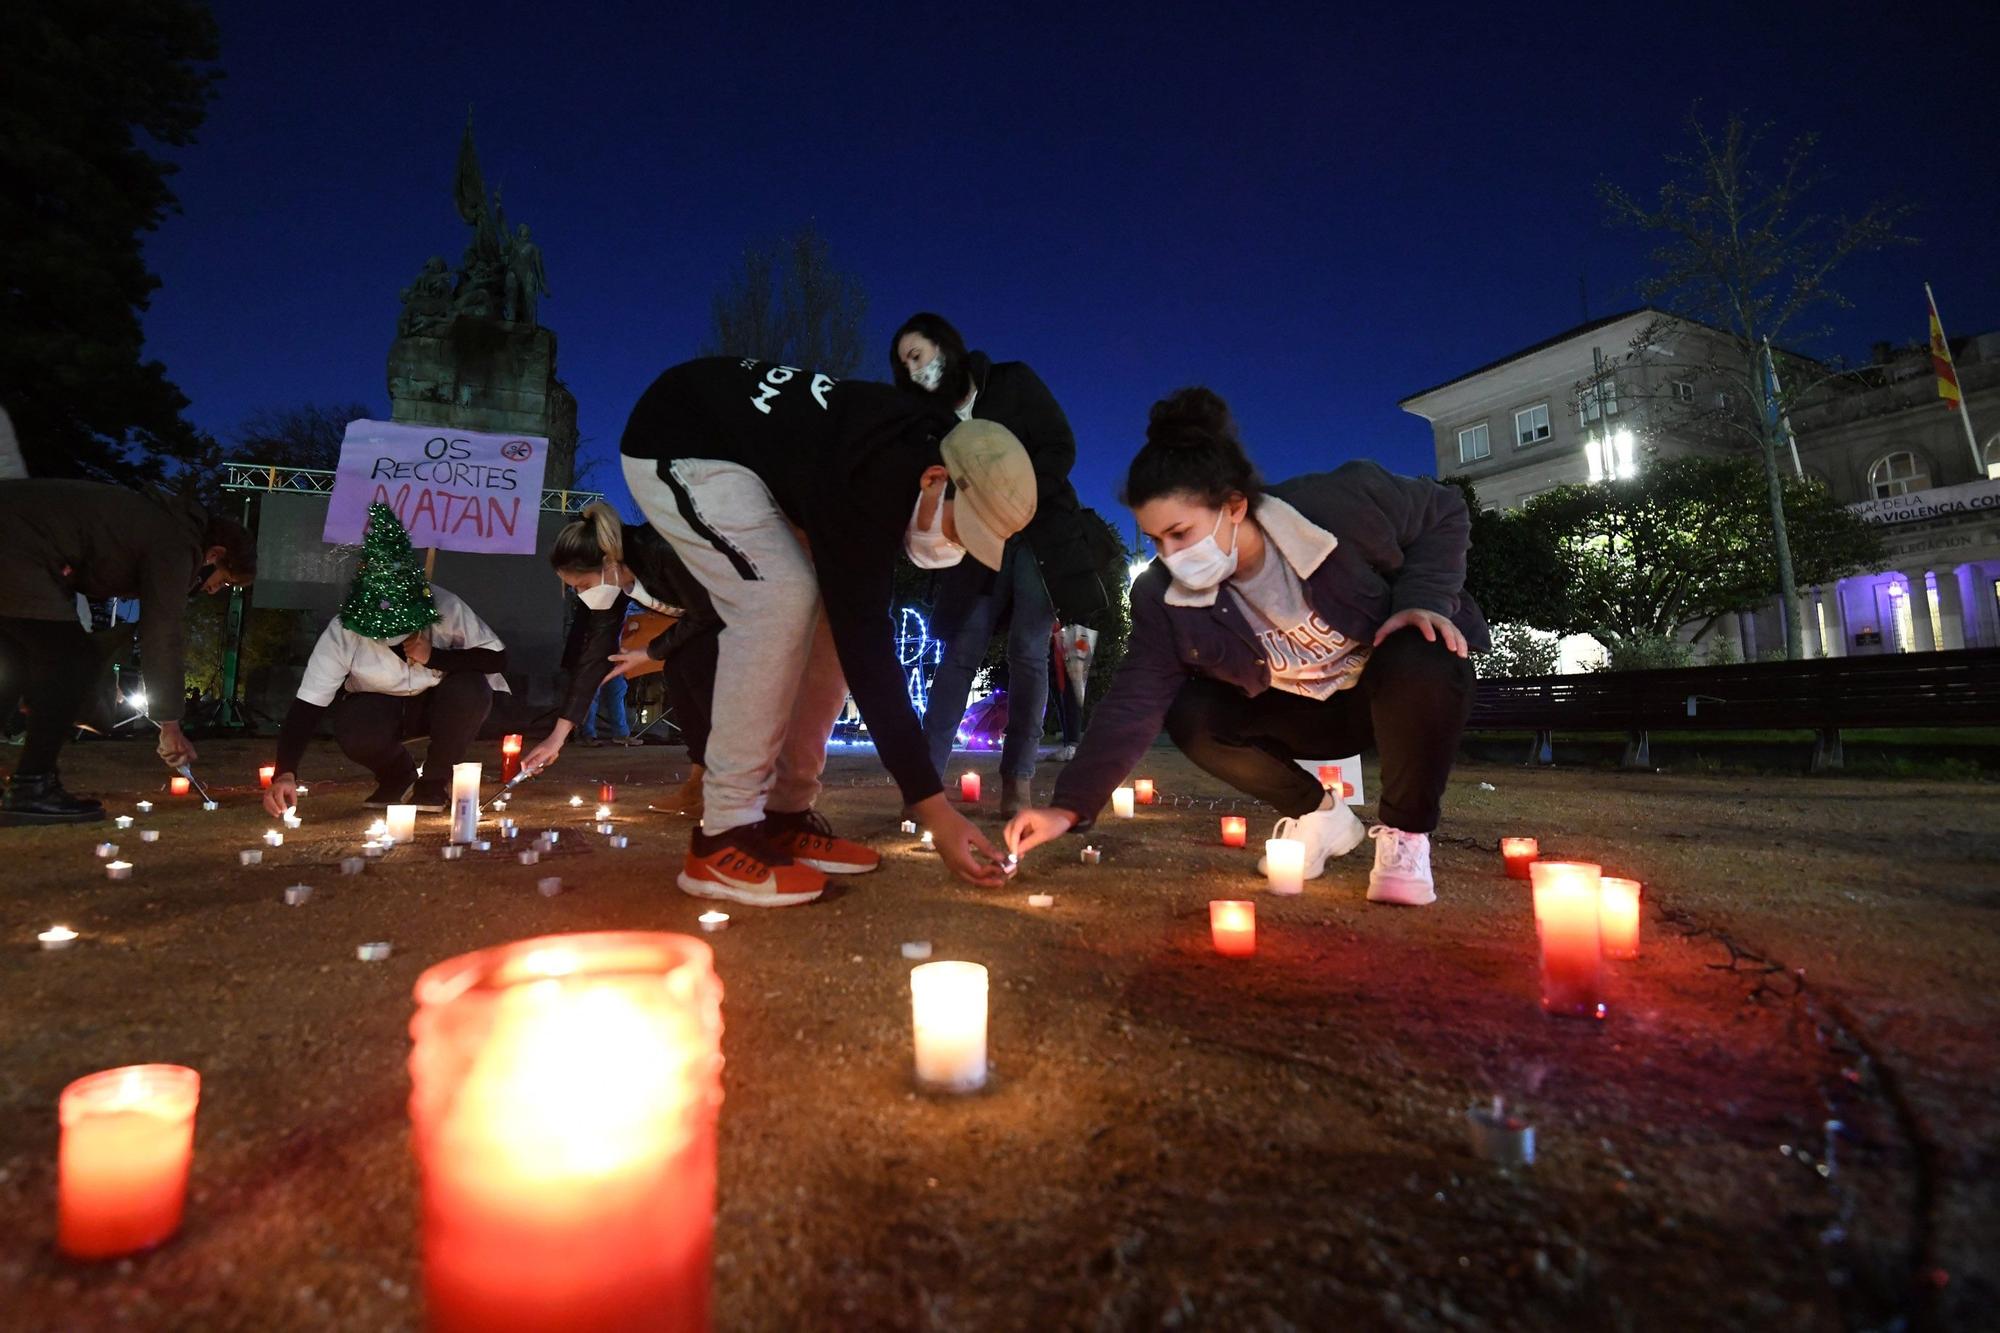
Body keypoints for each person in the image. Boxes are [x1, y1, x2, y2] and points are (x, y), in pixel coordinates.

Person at [1005, 388, 1489, 907]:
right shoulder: (1164, 597)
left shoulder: (1339, 506)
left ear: (1233, 506)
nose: (1169, 555)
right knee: (1191, 713)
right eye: (1155, 539)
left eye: (1180, 532)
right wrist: (1069, 806)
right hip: (1305, 717)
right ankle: (1322, 819)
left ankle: (1405, 838)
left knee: (1423, 646)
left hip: (1394, 695)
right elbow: (1133, 700)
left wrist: (1424, 601)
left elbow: (1444, 510)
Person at [619, 357, 1037, 907]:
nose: (953, 551)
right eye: (961, 531)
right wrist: (932, 807)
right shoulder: (876, 479)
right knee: (777, 597)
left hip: (750, 458)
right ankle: (721, 836)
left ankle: (785, 814)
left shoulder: (909, 458)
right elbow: (871, 650)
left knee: (824, 622)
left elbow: (854, 628)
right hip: (679, 438)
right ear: (936, 480)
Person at [891, 314, 1108, 817]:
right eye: (904, 364)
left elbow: (1060, 444)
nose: (914, 369)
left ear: (945, 346)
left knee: (1029, 652)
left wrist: (1020, 496)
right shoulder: (931, 424)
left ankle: (1019, 782)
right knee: (959, 652)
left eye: (917, 354)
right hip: (974, 545)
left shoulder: (1012, 382)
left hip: (1039, 536)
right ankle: (923, 785)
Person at [0, 479, 255, 822]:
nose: (213, 590)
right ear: (215, 554)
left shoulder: (160, 523)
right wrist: (170, 724)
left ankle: (32, 785)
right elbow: (162, 633)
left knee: (13, 663)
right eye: (223, 581)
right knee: (75, 660)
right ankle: (33, 787)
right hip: (17, 546)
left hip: (18, 540)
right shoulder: (178, 544)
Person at [263, 504, 507, 816]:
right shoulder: (343, 629)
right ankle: (397, 774)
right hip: (378, 708)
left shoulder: (445, 606)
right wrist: (285, 771)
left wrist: (436, 657)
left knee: (471, 689)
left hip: (438, 704)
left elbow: (496, 659)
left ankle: (434, 780)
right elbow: (308, 705)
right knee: (354, 727)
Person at [522, 500, 721, 792]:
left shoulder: (659, 549)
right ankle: (699, 779)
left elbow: (705, 609)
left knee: (693, 667)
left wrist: (649, 651)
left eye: (583, 585)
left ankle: (737, 782)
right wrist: (557, 737)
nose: (581, 595)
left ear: (607, 564)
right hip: (710, 624)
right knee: (678, 669)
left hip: (747, 611)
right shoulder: (614, 584)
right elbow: (594, 657)